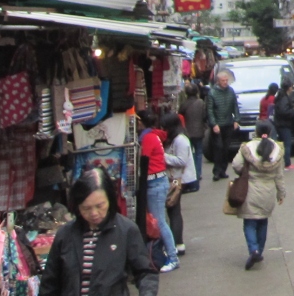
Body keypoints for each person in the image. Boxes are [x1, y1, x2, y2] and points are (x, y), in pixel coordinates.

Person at [39, 166, 158, 296]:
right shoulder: (65, 234)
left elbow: (145, 272)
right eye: (86, 208)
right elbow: (49, 284)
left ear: (110, 199)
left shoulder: (126, 230)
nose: (94, 213)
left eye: (100, 206)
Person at [233, 120, 287, 271]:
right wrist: (281, 193)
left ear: (256, 132)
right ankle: (259, 251)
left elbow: (236, 165)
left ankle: (254, 250)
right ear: (270, 132)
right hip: (268, 192)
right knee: (263, 221)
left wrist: (244, 172)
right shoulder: (277, 149)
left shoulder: (247, 147)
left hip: (250, 190)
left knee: (249, 222)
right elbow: (279, 175)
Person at [137, 110, 178, 272]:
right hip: (158, 181)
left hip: (154, 183)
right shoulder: (154, 136)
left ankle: (173, 258)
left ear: (142, 122)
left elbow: (144, 161)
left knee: (160, 222)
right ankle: (170, 255)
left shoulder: (147, 138)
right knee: (161, 221)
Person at [160, 112, 194, 258]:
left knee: (173, 210)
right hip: (175, 178)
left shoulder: (180, 140)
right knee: (174, 210)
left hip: (177, 179)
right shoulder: (176, 139)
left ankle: (177, 243)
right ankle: (178, 243)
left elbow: (181, 160)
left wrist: (162, 156)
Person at [206, 69, 240, 182]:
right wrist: (214, 124)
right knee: (218, 148)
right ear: (218, 81)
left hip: (228, 123)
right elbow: (210, 110)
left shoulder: (231, 91)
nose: (225, 82)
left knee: (226, 148)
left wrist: (236, 119)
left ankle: (223, 171)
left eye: (226, 80)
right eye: (223, 80)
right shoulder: (212, 93)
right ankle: (216, 171)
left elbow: (235, 106)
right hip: (218, 125)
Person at [181, 82, 207, 190]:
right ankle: (198, 173)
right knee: (199, 153)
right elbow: (204, 116)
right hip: (199, 131)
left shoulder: (184, 104)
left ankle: (191, 175)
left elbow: (180, 116)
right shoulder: (201, 103)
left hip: (187, 132)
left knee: (190, 155)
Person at [273, 81, 294, 170]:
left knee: (283, 144)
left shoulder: (281, 96)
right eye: (291, 87)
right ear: (289, 88)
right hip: (284, 124)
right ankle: (287, 164)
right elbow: (284, 111)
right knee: (287, 144)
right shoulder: (284, 98)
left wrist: (293, 106)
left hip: (280, 123)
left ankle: (284, 162)